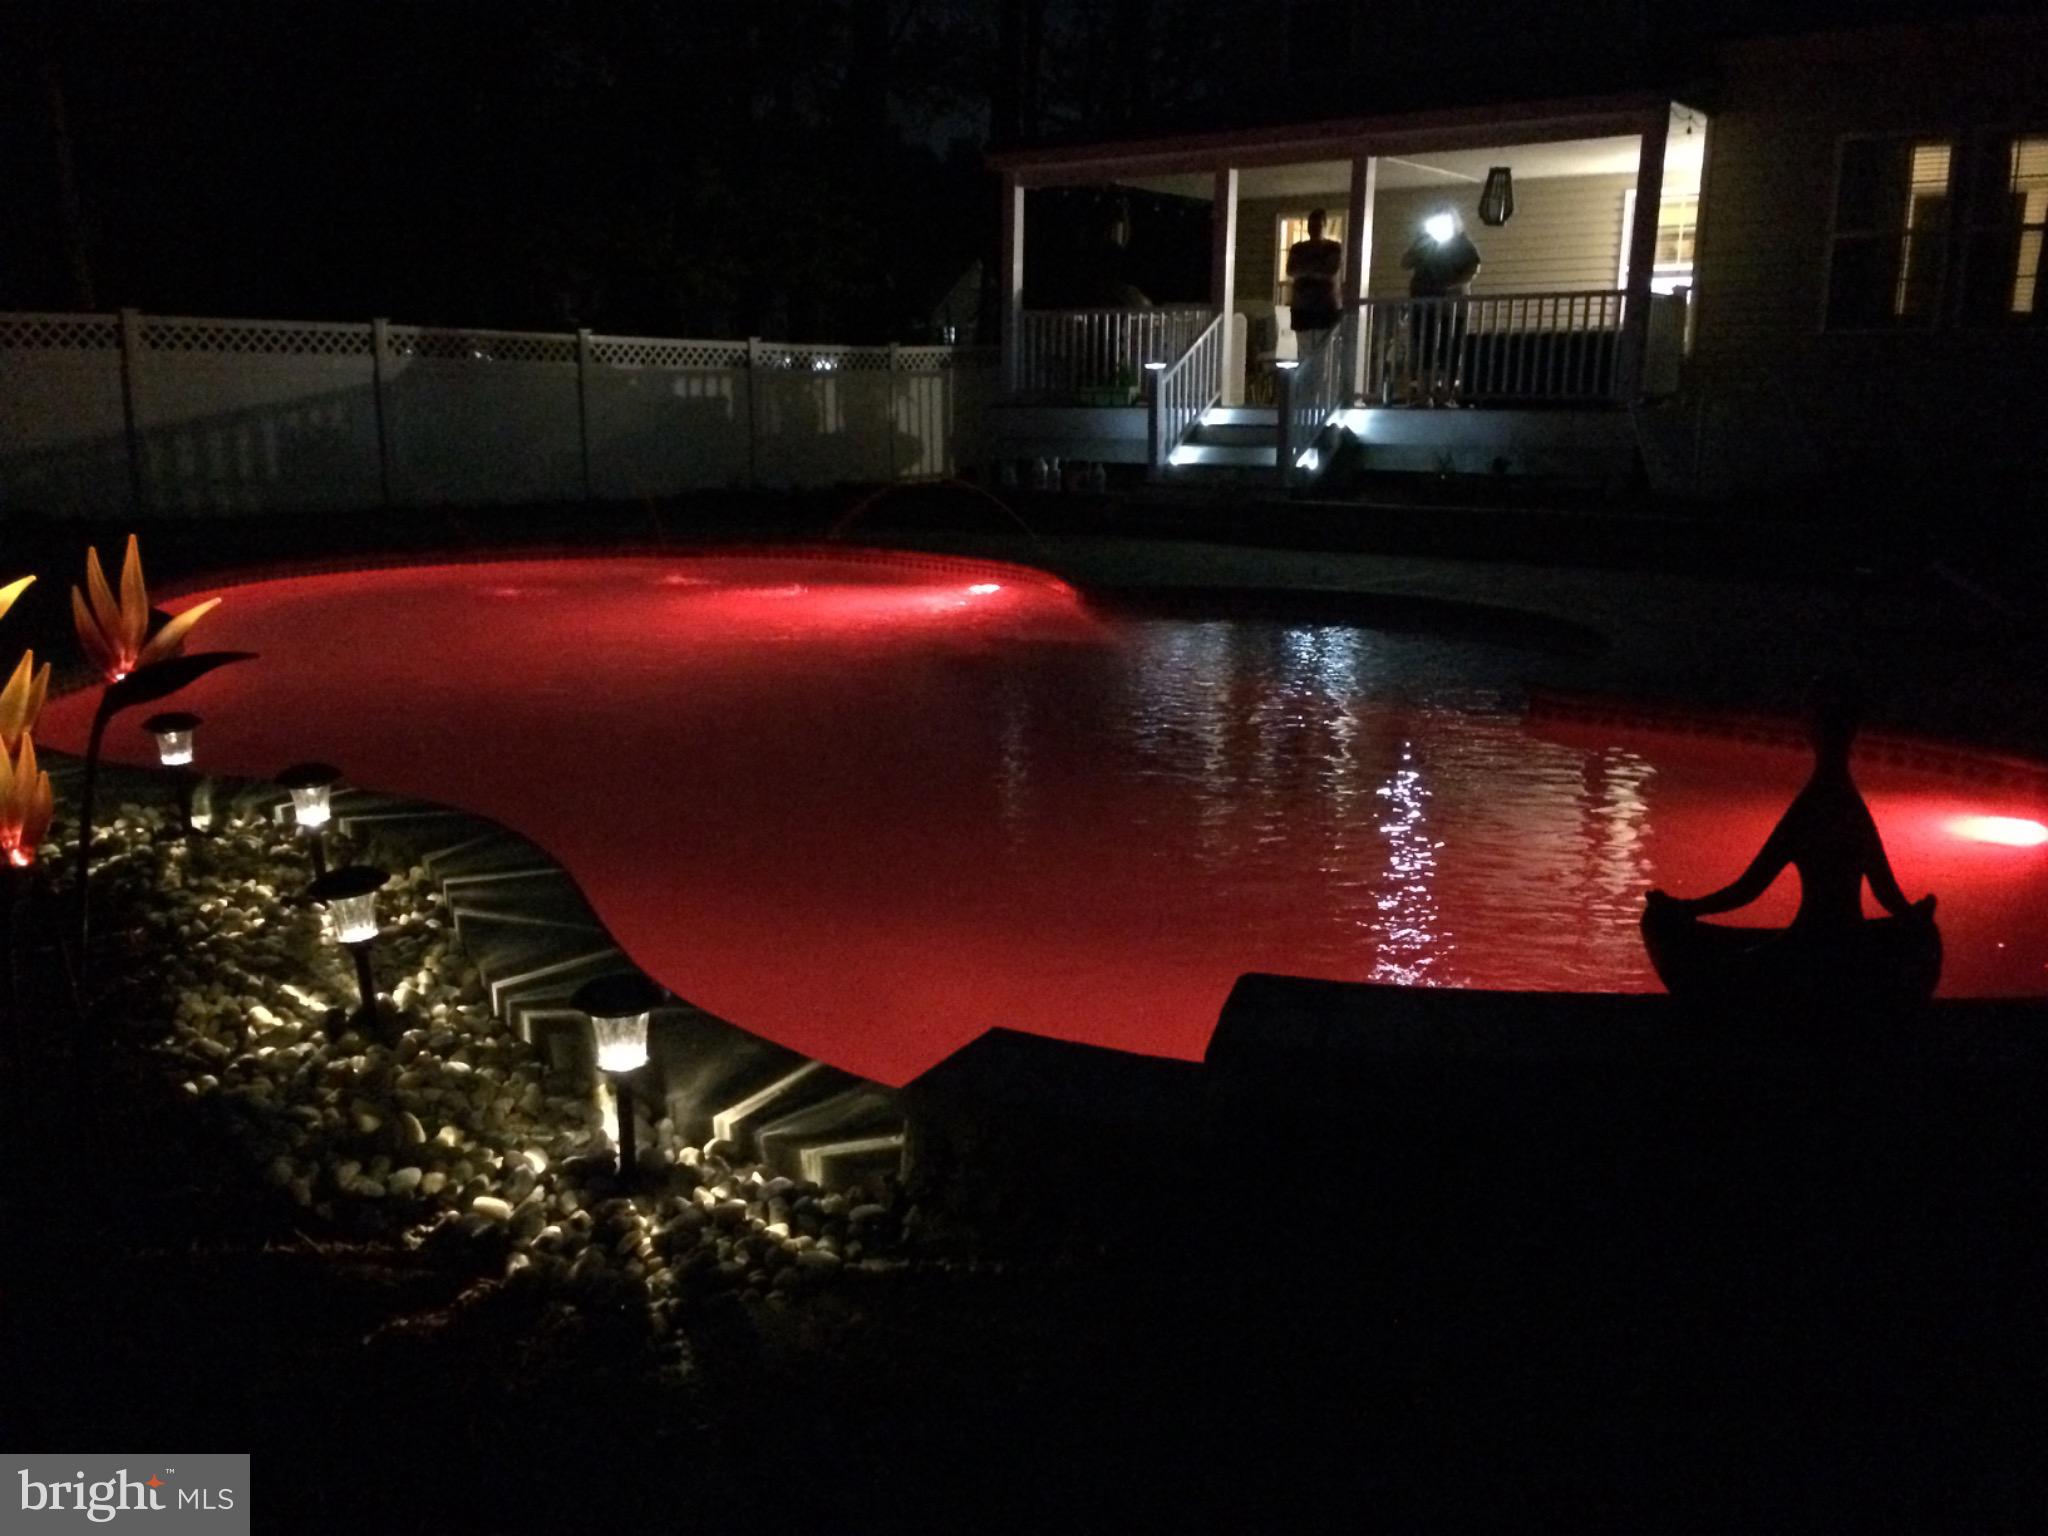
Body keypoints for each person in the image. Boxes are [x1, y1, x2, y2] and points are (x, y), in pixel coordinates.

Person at [1643, 675, 1939, 1007]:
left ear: (1811, 729)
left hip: (1806, 947)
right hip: (1852, 948)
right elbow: (1888, 896)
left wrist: (1683, 909)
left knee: (1664, 927)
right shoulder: (1852, 808)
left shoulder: (1812, 806)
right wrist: (1918, 914)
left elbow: (1747, 889)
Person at [1399, 208, 1482, 405]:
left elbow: (1473, 268)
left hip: (1450, 308)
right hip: (1423, 305)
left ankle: (1445, 393)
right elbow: (1405, 263)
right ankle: (1424, 393)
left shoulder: (1462, 244)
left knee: (1449, 349)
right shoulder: (1425, 243)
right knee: (1424, 348)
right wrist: (1421, 242)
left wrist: (1447, 286)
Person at [1285, 209, 1344, 335]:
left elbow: (1330, 271)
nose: (1314, 229)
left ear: (1324, 226)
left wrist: (1304, 269)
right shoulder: (1297, 248)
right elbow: (1290, 270)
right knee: (1302, 349)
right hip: (1302, 308)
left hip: (1327, 307)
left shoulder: (1333, 247)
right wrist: (1317, 268)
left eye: (1318, 225)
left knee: (1326, 348)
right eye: (1311, 225)